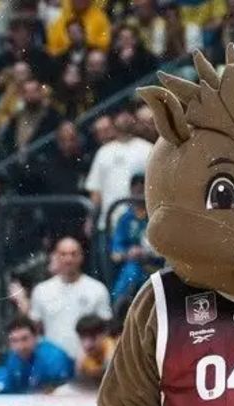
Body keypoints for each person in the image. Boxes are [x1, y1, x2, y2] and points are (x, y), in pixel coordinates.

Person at [25, 237, 113, 359]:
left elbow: (105, 328)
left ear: (81, 257)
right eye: (63, 254)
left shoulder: (97, 289)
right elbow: (35, 328)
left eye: (73, 254)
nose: (68, 259)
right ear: (56, 257)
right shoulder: (41, 290)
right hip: (53, 362)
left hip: (87, 361)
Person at [85, 108, 153, 232]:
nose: (124, 118)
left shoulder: (148, 148)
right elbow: (96, 190)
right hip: (109, 222)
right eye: (120, 115)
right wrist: (91, 219)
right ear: (113, 121)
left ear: (134, 119)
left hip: (141, 223)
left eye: (127, 114)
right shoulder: (103, 152)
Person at [109, 174, 162, 304]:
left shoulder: (159, 217)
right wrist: (129, 253)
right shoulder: (125, 219)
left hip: (156, 265)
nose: (139, 193)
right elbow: (115, 252)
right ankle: (120, 307)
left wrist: (149, 253)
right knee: (131, 273)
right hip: (131, 265)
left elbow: (166, 248)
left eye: (143, 188)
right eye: (136, 189)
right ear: (131, 190)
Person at [4, 316, 74, 393]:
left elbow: (62, 393)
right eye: (14, 340)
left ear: (36, 337)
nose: (20, 346)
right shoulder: (13, 359)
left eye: (25, 339)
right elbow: (10, 392)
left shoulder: (53, 358)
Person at [74, 314, 115, 382]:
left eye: (93, 337)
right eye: (82, 337)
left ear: (104, 334)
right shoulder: (83, 356)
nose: (87, 344)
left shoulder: (113, 351)